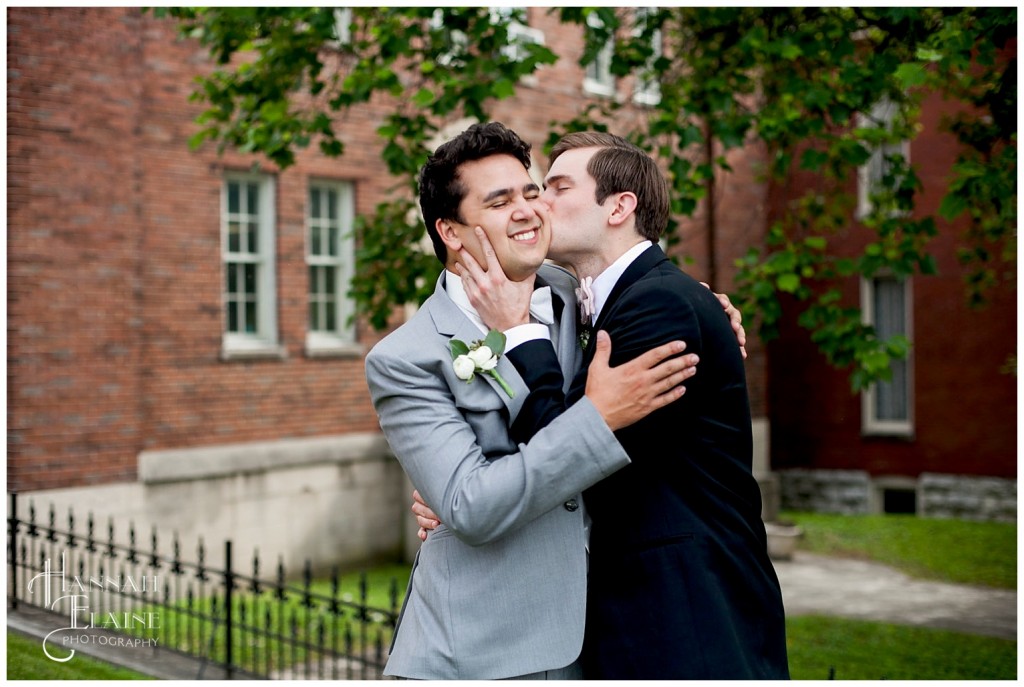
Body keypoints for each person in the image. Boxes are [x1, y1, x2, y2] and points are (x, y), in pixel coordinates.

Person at [423, 131, 789, 679]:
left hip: (686, 612)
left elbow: (573, 457)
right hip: (649, 611)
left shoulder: (659, 306)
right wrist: (456, 480)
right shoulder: (613, 305)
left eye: (556, 188)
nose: (535, 205)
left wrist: (518, 332)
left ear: (620, 207)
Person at [364, 122, 709, 680]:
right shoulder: (405, 358)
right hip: (478, 653)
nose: (527, 209)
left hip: (602, 637)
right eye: (499, 202)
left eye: (530, 192)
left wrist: (711, 312)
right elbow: (471, 507)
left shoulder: (578, 294)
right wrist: (600, 420)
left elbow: (651, 290)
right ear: (451, 232)